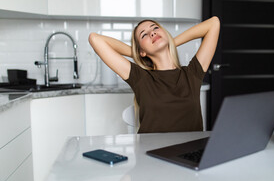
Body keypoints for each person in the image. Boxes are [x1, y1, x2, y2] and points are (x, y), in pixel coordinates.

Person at [89, 16, 220, 133]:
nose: (152, 33)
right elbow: (95, 39)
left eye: (155, 28)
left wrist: (171, 43)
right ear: (142, 51)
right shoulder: (140, 77)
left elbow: (213, 23)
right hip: (151, 153)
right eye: (144, 35)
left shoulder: (192, 73)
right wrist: (136, 53)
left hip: (189, 153)